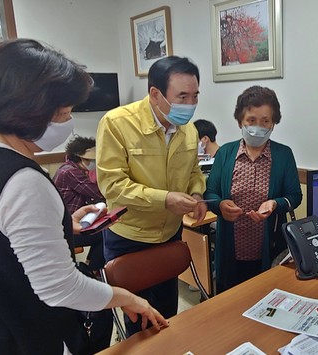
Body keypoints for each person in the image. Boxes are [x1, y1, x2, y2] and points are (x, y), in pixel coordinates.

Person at [0, 39, 168, 355]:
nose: (69, 122)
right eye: (63, 113)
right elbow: (61, 287)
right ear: (27, 110)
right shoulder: (24, 181)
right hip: (15, 337)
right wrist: (128, 298)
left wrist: (63, 224)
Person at [96, 56, 207, 335]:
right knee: (140, 322)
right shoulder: (117, 123)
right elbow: (112, 184)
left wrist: (196, 193)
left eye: (195, 96)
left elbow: (194, 171)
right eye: (182, 96)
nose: (190, 105)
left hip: (169, 234)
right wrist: (165, 199)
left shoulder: (188, 129)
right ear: (155, 94)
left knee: (167, 316)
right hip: (130, 236)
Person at [204, 86, 303, 293]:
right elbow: (210, 193)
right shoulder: (225, 153)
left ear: (273, 124)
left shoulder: (283, 155)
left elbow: (294, 196)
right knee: (230, 306)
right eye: (251, 120)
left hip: (269, 248)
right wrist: (220, 205)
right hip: (230, 251)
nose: (258, 126)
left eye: (265, 121)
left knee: (267, 300)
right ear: (240, 121)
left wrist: (275, 204)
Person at [53, 135, 105, 269]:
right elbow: (97, 193)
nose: (93, 162)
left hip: (68, 224)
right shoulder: (70, 172)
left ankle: (90, 266)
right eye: (90, 160)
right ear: (79, 157)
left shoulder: (70, 169)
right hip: (66, 229)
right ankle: (93, 270)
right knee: (106, 235)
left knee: (102, 231)